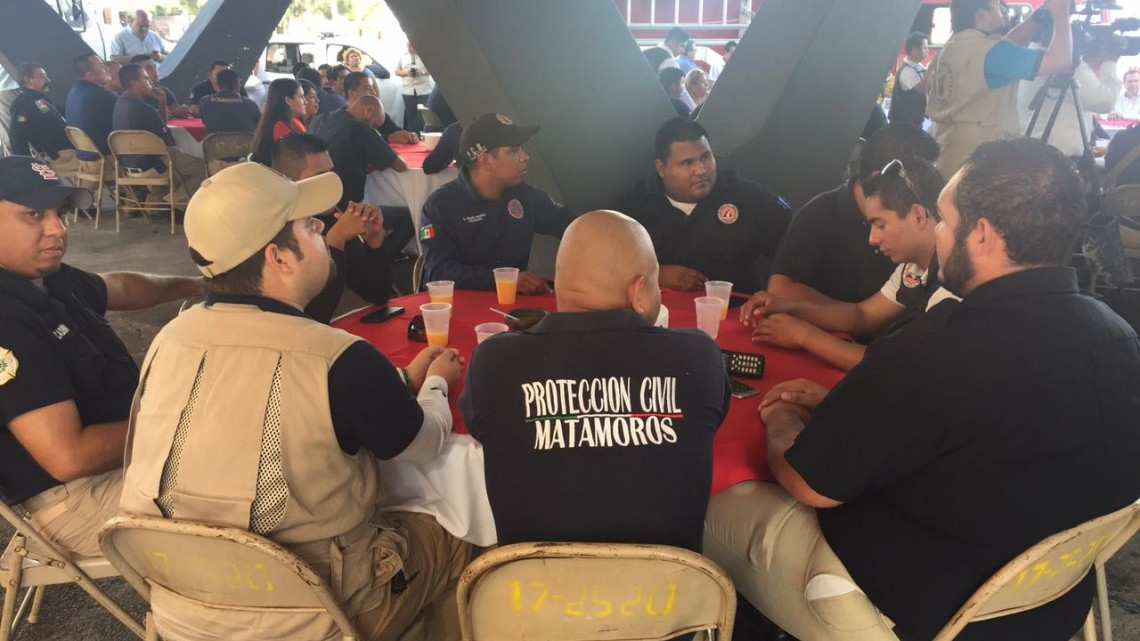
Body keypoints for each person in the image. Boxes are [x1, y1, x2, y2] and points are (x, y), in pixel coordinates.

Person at [704, 138, 1140, 641]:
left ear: (980, 235)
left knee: (722, 507)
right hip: (1054, 596)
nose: (936, 232)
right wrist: (840, 405)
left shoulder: (935, 347)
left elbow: (810, 483)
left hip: (925, 610)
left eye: (944, 220)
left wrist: (780, 418)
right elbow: (986, 429)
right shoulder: (1119, 337)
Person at [119, 162, 473, 641]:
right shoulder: (339, 357)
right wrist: (433, 384)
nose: (323, 229)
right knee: (456, 528)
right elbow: (425, 443)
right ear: (279, 258)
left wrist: (399, 381)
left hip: (181, 611)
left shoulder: (169, 338)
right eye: (309, 226)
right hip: (319, 619)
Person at [461, 209, 730, 550]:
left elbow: (483, 430)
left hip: (531, 593)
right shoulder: (699, 356)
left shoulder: (492, 361)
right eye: (656, 282)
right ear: (639, 291)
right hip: (669, 594)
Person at [0, 156, 200, 558]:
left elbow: (119, 286)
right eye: (33, 214)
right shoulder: (7, 318)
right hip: (71, 500)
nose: (57, 229)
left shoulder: (49, 278)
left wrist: (200, 285)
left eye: (61, 213)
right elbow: (67, 457)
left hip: (123, 461)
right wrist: (181, 421)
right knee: (252, 484)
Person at [742, 157, 955, 371]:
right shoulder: (913, 268)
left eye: (880, 225)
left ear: (917, 215)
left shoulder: (954, 283)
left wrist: (803, 335)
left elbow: (901, 368)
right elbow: (863, 315)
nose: (872, 238)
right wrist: (788, 306)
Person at [612, 118, 792, 294]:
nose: (700, 170)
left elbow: (795, 253)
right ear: (661, 168)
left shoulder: (747, 198)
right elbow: (602, 263)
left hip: (735, 312)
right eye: (687, 163)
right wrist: (655, 273)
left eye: (706, 157)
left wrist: (775, 295)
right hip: (658, 316)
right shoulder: (634, 205)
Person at [768, 124, 939, 308]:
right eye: (919, 176)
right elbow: (780, 289)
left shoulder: (938, 241)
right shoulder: (819, 215)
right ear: (880, 178)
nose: (873, 239)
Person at [419, 113, 574, 292]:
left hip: (514, 313)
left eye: (522, 148)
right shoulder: (440, 206)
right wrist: (503, 279)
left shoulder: (526, 197)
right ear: (485, 160)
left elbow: (572, 226)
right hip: (457, 311)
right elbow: (439, 273)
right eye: (514, 151)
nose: (525, 156)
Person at [927, 0, 1072, 177]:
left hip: (951, 153)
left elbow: (1005, 45)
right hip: (982, 163)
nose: (1003, 10)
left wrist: (1037, 19)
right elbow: (1061, 60)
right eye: (996, 5)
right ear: (981, 14)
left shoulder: (955, 45)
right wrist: (1061, 12)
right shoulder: (993, 53)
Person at [271, 133, 394, 323]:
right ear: (289, 183)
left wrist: (374, 243)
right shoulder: (276, 234)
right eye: (320, 177)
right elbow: (313, 319)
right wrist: (335, 242)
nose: (331, 184)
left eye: (332, 174)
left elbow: (377, 293)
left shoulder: (332, 216)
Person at [1019, 34, 1123, 158]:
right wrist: (1109, 62)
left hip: (1037, 153)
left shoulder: (1032, 56)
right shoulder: (1066, 64)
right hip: (1058, 160)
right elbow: (1106, 101)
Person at [112, 64, 207, 199]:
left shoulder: (120, 103)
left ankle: (155, 200)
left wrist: (162, 102)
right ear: (135, 83)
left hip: (127, 164)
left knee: (179, 165)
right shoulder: (144, 108)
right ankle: (169, 201)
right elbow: (170, 141)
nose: (150, 82)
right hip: (153, 165)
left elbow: (160, 124)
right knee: (203, 167)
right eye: (145, 79)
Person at [310, 95, 408, 210]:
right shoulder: (362, 129)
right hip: (347, 205)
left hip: (315, 199)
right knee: (406, 216)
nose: (374, 128)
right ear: (369, 110)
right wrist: (394, 152)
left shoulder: (320, 119)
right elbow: (401, 166)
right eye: (375, 125)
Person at [9, 63, 77, 176]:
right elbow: (17, 135)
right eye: (42, 76)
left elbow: (55, 113)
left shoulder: (38, 99)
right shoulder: (23, 105)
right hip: (61, 157)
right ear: (28, 80)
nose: (48, 79)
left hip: (70, 149)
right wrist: (27, 167)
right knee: (101, 158)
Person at [65, 54, 117, 162]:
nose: (107, 69)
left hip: (84, 158)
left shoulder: (73, 92)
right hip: (105, 160)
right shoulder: (101, 95)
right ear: (90, 74)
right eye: (102, 66)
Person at [250, 78, 307, 165]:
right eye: (301, 97)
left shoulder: (273, 123)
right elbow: (296, 162)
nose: (305, 102)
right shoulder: (280, 127)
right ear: (288, 100)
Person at [888, 32, 934, 128]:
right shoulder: (907, 71)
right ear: (915, 50)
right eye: (925, 48)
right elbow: (922, 88)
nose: (928, 51)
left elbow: (928, 84)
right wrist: (930, 68)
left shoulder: (918, 66)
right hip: (903, 124)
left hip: (915, 121)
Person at [198, 68, 261, 135]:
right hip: (243, 144)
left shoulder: (205, 102)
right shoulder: (250, 104)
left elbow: (204, 121)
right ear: (238, 86)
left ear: (216, 85)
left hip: (214, 144)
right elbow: (259, 124)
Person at [130, 54, 188, 118]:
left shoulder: (164, 92)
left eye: (155, 66)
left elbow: (175, 108)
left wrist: (180, 110)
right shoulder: (132, 95)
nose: (155, 71)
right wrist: (159, 112)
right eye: (149, 68)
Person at [395, 42, 433, 132]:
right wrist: (407, 73)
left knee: (423, 115)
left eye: (412, 46)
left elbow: (432, 69)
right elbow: (397, 71)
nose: (410, 48)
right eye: (408, 46)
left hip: (423, 89)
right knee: (410, 114)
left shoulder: (425, 55)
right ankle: (413, 133)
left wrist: (421, 72)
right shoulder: (403, 56)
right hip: (408, 90)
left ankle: (418, 133)